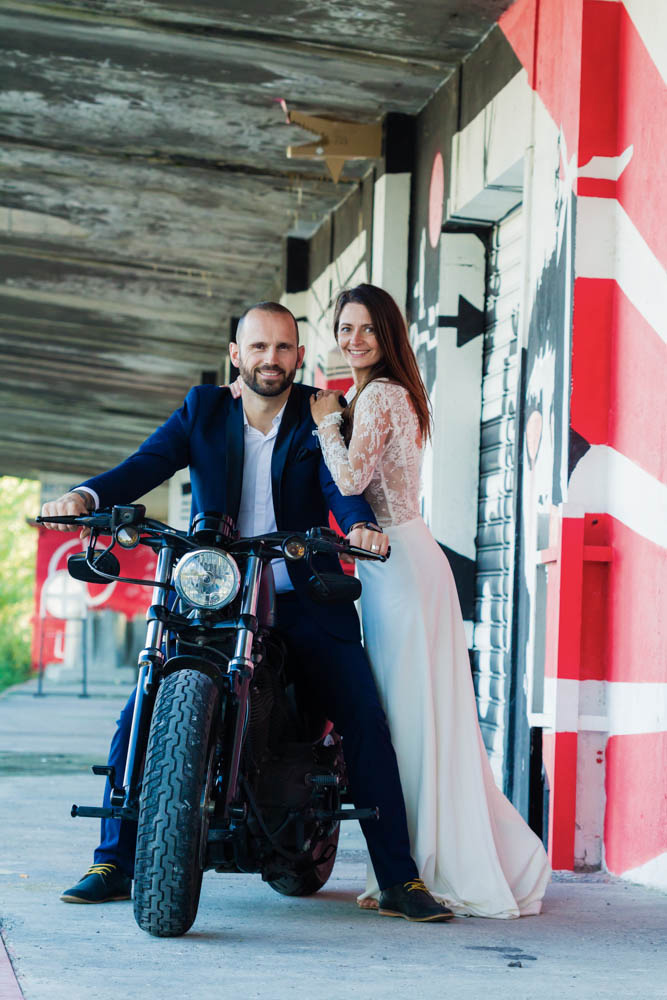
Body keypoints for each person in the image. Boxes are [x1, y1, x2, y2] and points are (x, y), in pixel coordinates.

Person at [42, 301, 454, 922]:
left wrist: (359, 527)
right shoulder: (204, 409)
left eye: (283, 347)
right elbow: (147, 464)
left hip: (300, 595)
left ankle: (399, 877)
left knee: (364, 718)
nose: (271, 358)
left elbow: (338, 488)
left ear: (299, 355)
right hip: (216, 594)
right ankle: (115, 861)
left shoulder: (320, 411)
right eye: (258, 347)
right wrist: (85, 495)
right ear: (236, 355)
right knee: (142, 707)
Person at [309, 284, 551, 918]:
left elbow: (350, 480)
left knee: (408, 719)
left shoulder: (380, 395)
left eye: (367, 328)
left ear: (389, 333)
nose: (354, 339)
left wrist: (326, 421)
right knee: (416, 717)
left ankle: (418, 869)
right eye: (345, 328)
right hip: (404, 560)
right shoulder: (389, 393)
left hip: (399, 566)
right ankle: (408, 865)